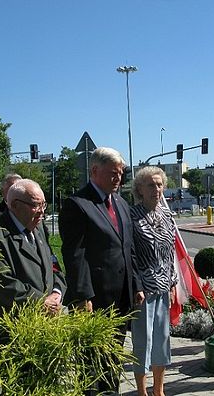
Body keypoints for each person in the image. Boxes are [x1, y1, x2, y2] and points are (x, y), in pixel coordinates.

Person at [60, 146, 143, 394]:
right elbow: (75, 255)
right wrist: (82, 295)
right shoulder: (78, 205)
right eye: (113, 173)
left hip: (120, 298)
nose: (118, 179)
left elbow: (129, 248)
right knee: (91, 362)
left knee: (112, 360)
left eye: (121, 173)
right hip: (94, 301)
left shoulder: (120, 203)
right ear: (95, 171)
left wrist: (136, 285)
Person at [0, 178, 66, 347]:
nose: (41, 212)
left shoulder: (37, 228)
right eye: (35, 205)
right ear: (14, 205)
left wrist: (57, 293)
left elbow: (53, 266)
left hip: (46, 326)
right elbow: (0, 282)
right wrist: (40, 301)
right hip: (14, 333)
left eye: (44, 205)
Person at [130, 166, 177, 396]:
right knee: (143, 342)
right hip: (143, 290)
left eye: (159, 184)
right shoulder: (132, 216)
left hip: (163, 286)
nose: (156, 189)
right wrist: (136, 286)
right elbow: (130, 256)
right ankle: (142, 391)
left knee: (162, 341)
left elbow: (171, 252)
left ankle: (159, 390)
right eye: (151, 185)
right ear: (140, 189)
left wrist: (173, 282)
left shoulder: (167, 215)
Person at [0, 173, 51, 242]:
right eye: (12, 188)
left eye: (19, 188)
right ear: (3, 191)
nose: (15, 191)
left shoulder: (36, 217)